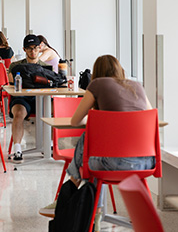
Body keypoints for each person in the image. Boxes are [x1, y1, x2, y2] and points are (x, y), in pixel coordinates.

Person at [40, 54, 154, 218]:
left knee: (89, 149)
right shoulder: (137, 86)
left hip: (112, 163)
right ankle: (93, 211)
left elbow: (75, 121)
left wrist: (95, 117)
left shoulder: (97, 84)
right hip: (145, 163)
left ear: (97, 72)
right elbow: (149, 116)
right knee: (91, 146)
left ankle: (79, 200)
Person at [6, 34, 53, 162]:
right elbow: (11, 86)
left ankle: (50, 145)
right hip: (22, 99)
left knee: (55, 110)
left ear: (40, 48)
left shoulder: (46, 67)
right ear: (24, 49)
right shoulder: (15, 66)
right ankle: (17, 149)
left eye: (36, 48)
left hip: (42, 100)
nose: (33, 51)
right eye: (30, 48)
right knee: (19, 113)